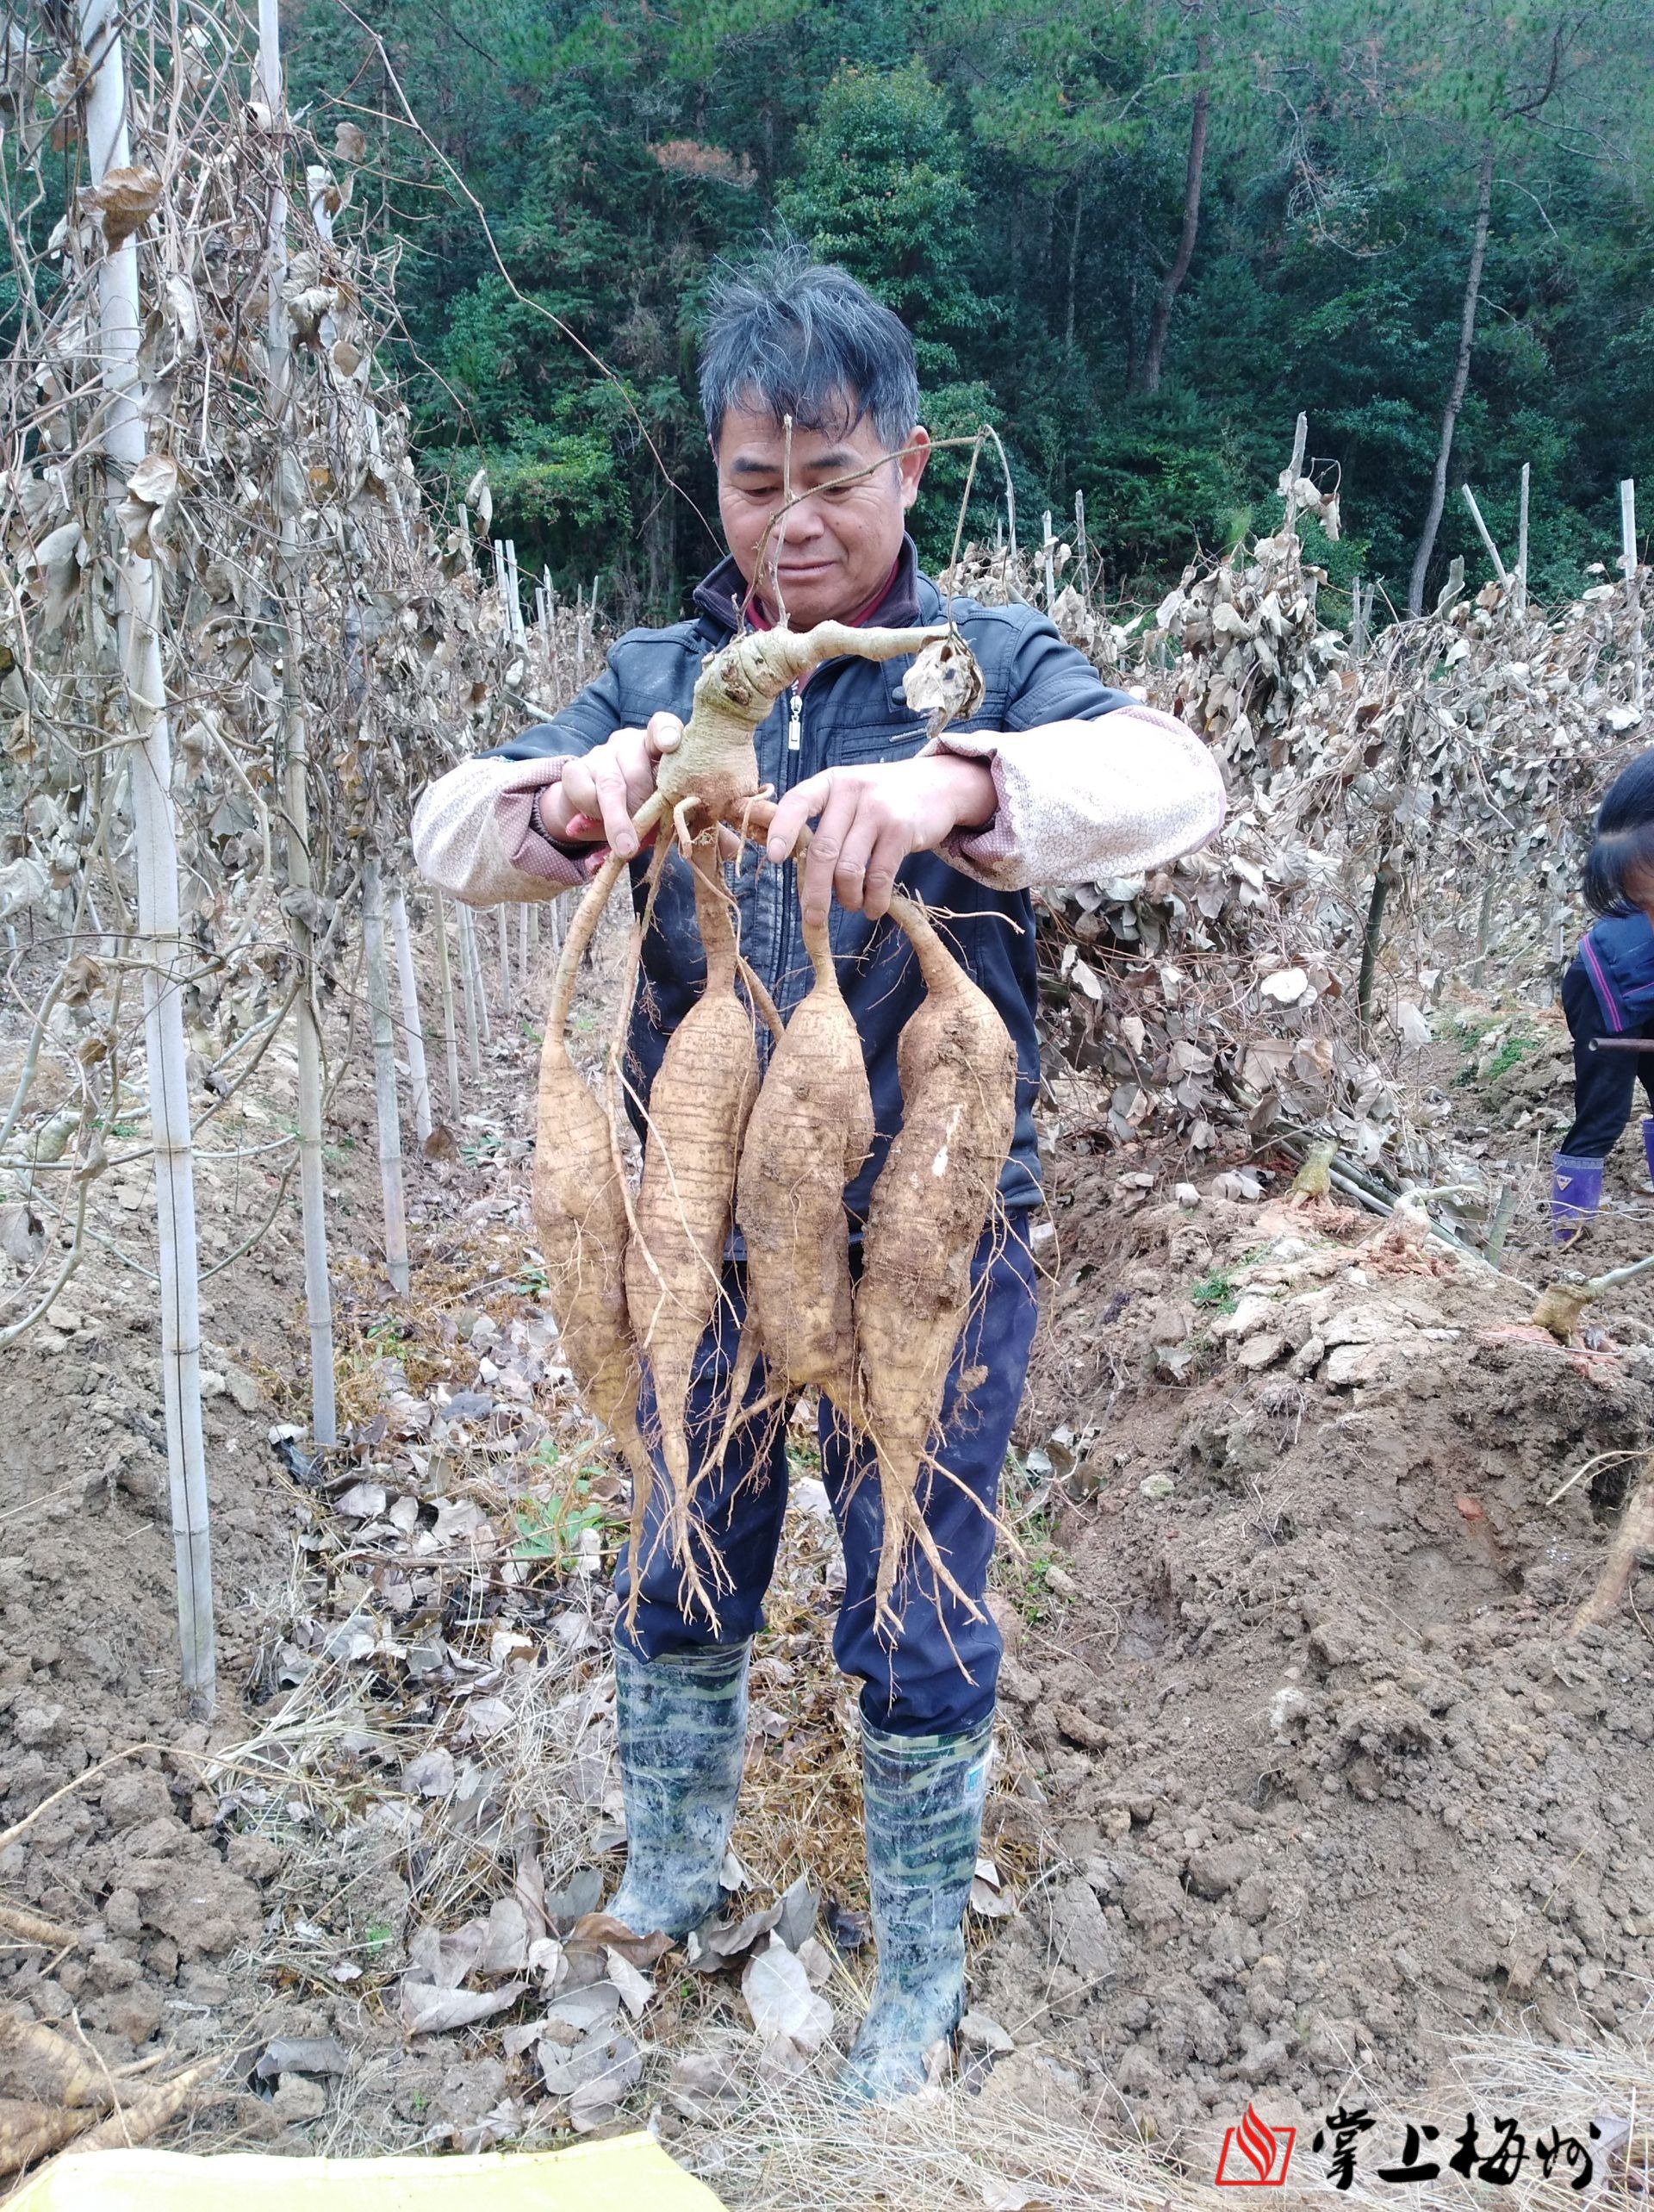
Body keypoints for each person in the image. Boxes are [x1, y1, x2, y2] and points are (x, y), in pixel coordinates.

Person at [412, 246, 1224, 2098]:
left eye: (832, 479)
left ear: (911, 466)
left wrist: (964, 786)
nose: (792, 526)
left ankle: (918, 1966)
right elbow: (450, 826)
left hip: (929, 1229)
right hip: (697, 1216)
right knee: (682, 1535)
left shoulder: (984, 667)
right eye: (755, 481)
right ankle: (676, 1871)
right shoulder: (658, 678)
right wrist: (568, 801)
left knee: (916, 1576)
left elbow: (1173, 778)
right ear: (715, 473)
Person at [1553, 749, 1654, 1243]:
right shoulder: (1616, 953)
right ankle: (1566, 1231)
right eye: (1640, 905)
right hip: (1604, 989)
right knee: (1605, 1109)